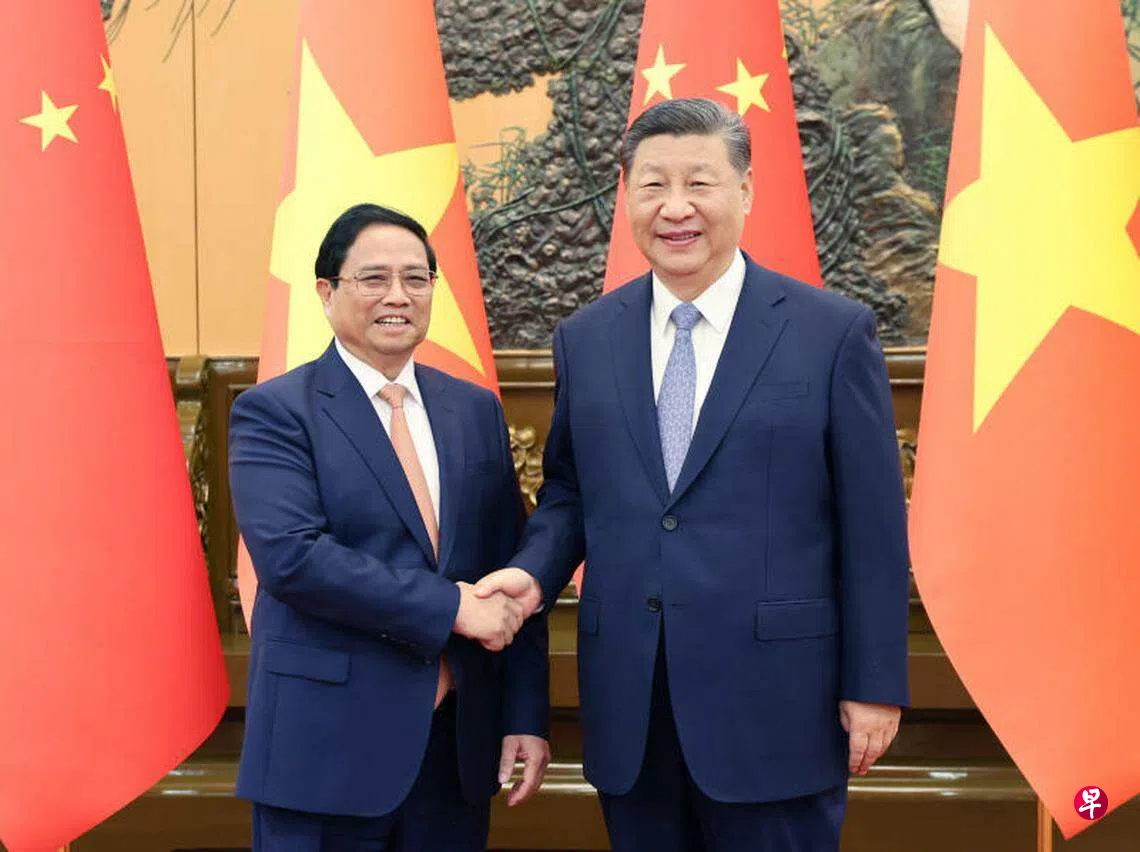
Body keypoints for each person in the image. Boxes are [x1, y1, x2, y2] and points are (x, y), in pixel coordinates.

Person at [476, 98, 910, 851]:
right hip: (632, 706)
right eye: (653, 185)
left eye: (699, 183)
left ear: (745, 191)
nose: (675, 208)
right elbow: (572, 492)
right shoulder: (587, 338)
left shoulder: (830, 333)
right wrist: (533, 573)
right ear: (627, 198)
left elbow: (872, 525)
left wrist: (873, 683)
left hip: (778, 706)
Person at [229, 203, 550, 851]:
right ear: (326, 293)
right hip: (325, 750)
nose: (398, 296)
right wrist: (451, 606)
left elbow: (510, 565)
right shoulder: (275, 412)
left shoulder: (473, 411)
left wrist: (524, 713)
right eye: (374, 278)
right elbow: (295, 560)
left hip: (452, 752)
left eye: (416, 278)